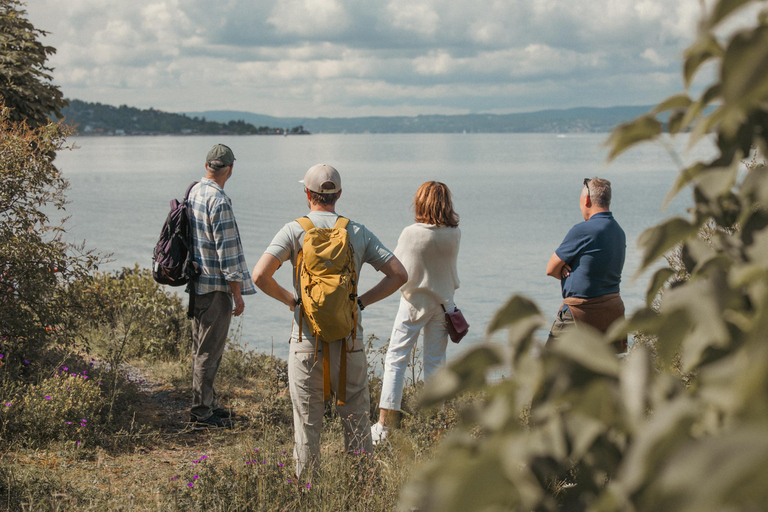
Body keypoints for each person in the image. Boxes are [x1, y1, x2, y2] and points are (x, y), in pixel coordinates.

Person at [251, 163, 407, 477]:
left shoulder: (294, 230)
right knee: (357, 423)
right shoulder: (357, 231)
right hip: (350, 344)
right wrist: (360, 302)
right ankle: (363, 491)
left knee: (307, 427)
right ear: (338, 195)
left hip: (307, 344)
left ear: (307, 193)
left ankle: (308, 495)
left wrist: (292, 301)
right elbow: (399, 274)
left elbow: (259, 276)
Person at [371, 181, 461, 445]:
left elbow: (399, 269)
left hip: (414, 304)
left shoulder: (412, 233)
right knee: (435, 364)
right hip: (444, 305)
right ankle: (435, 427)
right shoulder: (454, 233)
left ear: (421, 202)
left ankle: (384, 427)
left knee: (396, 360)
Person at [187, 143, 256, 428]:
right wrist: (237, 294)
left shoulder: (194, 192)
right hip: (216, 287)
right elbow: (227, 253)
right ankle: (202, 412)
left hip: (196, 283)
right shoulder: (219, 200)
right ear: (230, 168)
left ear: (207, 166)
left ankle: (208, 403)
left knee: (200, 346)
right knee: (209, 350)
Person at [545, 177, 627, 351]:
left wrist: (564, 268)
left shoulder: (583, 230)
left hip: (579, 314)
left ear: (587, 200)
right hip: (611, 314)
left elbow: (550, 268)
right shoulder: (619, 231)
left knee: (546, 369)